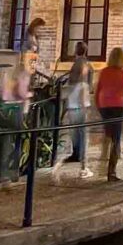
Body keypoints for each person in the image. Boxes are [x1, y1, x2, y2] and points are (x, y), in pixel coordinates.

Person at [52, 44, 94, 180]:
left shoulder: (75, 65)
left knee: (75, 136)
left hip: (72, 104)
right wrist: (84, 104)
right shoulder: (84, 64)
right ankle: (83, 167)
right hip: (80, 105)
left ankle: (60, 164)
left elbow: (71, 86)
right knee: (83, 136)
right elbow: (84, 86)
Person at [95, 47, 123, 182]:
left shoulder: (104, 72)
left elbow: (98, 89)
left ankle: (102, 164)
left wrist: (98, 105)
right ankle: (111, 172)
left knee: (108, 135)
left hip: (104, 105)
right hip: (117, 106)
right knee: (116, 139)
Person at [0, 57, 32, 184]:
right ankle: (13, 172)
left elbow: (1, 93)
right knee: (16, 142)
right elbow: (21, 93)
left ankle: (4, 173)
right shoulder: (22, 75)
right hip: (16, 109)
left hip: (6, 109)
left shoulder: (6, 73)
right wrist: (29, 95)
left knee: (7, 142)